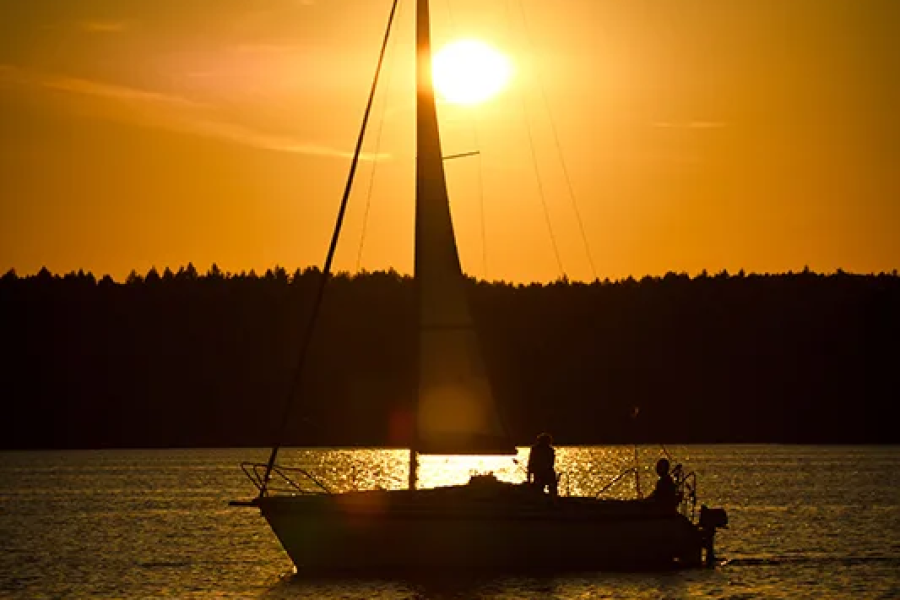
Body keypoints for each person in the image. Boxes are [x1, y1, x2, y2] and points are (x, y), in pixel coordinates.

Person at [527, 432, 558, 497]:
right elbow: (531, 463)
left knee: (548, 487)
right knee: (540, 488)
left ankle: (551, 498)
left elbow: (551, 463)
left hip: (544, 472)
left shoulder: (549, 450)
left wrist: (529, 477)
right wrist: (529, 477)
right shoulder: (537, 449)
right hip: (540, 473)